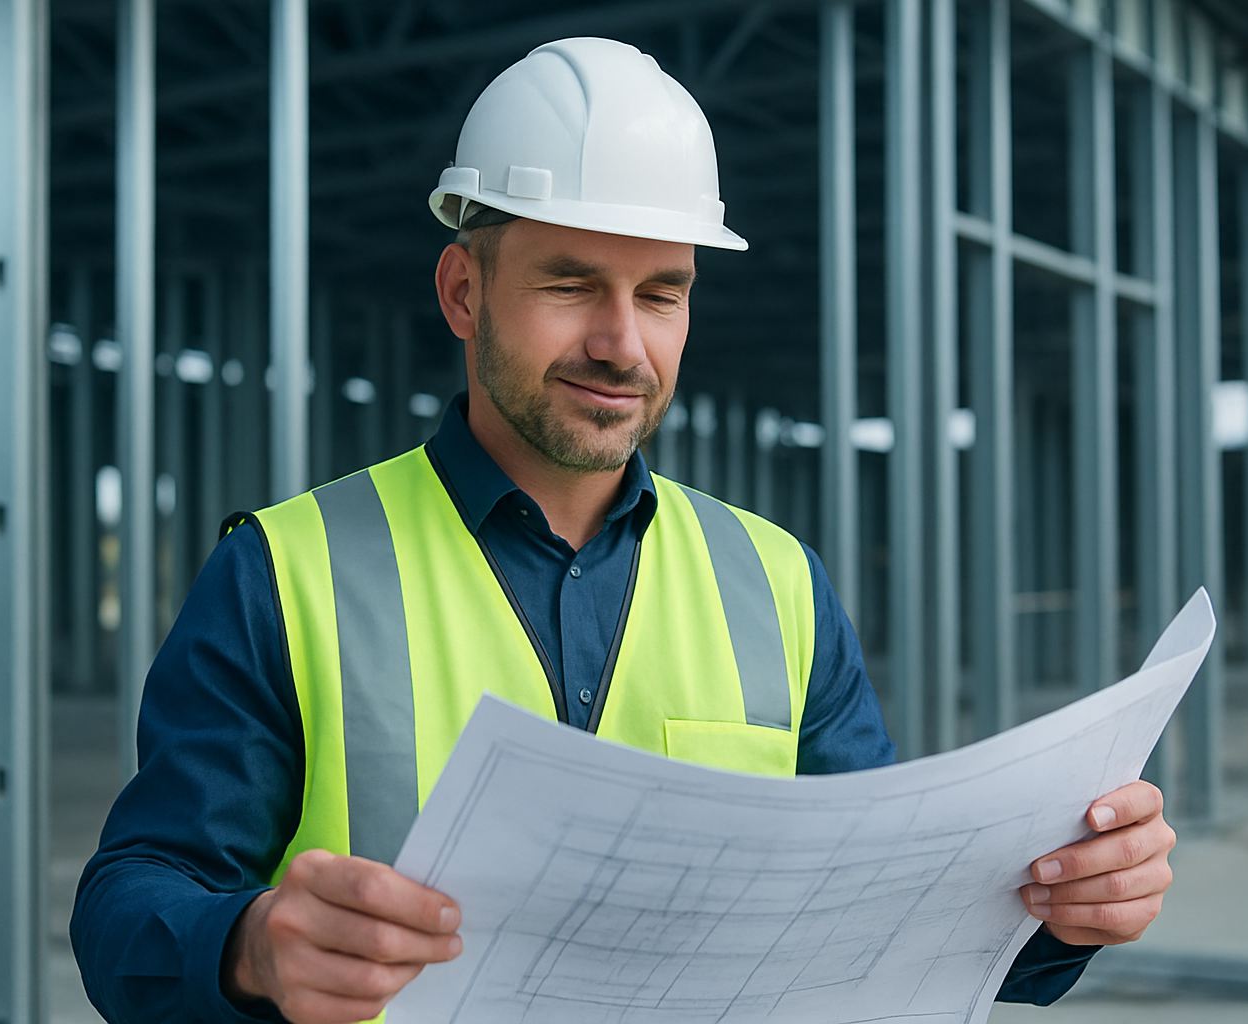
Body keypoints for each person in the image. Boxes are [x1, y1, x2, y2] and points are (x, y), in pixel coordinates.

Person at [72, 37, 1177, 1024]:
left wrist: (1059, 911)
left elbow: (870, 927)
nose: (622, 344)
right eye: (570, 283)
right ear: (464, 289)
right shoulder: (286, 570)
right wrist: (250, 947)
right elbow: (132, 901)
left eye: (661, 293)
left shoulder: (777, 582)